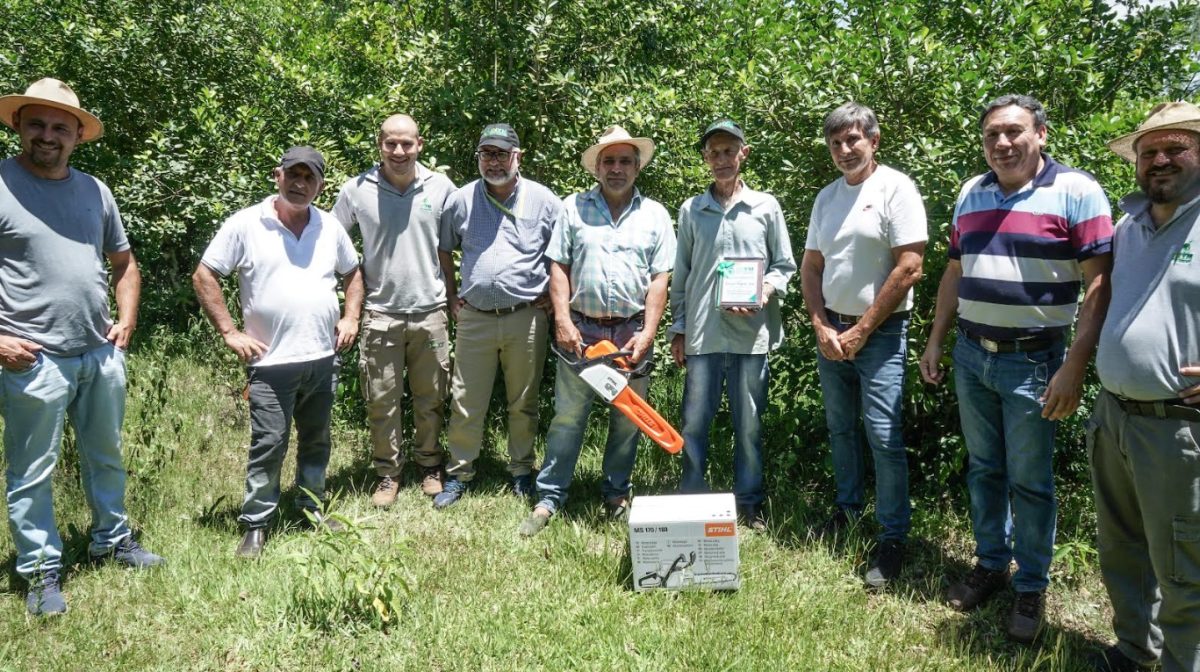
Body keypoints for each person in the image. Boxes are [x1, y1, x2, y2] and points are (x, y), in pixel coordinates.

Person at [918, 94, 1113, 643]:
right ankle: (990, 564)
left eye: (1013, 132)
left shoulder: (1077, 191)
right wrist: (936, 340)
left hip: (1037, 359)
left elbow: (1100, 283)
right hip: (972, 353)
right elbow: (955, 271)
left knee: (1030, 482)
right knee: (984, 469)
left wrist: (1076, 364)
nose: (1001, 144)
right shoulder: (971, 192)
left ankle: (1031, 584)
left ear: (1041, 134)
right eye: (991, 136)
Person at [0, 77, 165, 616]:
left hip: (98, 353)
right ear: (20, 127)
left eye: (59, 128)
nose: (47, 136)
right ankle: (42, 570)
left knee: (105, 455)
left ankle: (112, 540)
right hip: (32, 359)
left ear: (76, 136)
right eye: (37, 125)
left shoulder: (96, 191)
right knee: (32, 470)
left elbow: (125, 263)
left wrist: (126, 322)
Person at [193, 146, 364, 559]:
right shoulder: (247, 224)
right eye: (294, 175)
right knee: (270, 443)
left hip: (322, 358)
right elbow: (204, 274)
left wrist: (351, 317)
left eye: (310, 178)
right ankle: (257, 522)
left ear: (321, 185)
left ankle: (311, 507)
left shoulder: (329, 226)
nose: (301, 184)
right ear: (278, 175)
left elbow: (354, 273)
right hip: (270, 363)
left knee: (317, 439)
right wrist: (230, 332)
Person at [1086, 101, 1200, 672]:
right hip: (1115, 418)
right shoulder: (1128, 226)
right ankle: (1134, 651)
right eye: (1149, 151)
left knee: (1184, 567)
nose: (1159, 159)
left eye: (1175, 148)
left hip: (1179, 430)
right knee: (1124, 552)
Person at [518, 125, 675, 537]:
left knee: (628, 421)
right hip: (581, 333)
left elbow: (660, 279)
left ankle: (616, 494)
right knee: (568, 418)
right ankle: (549, 497)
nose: (617, 168)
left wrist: (649, 333)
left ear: (638, 167)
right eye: (609, 161)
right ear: (597, 168)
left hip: (630, 335)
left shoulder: (655, 215)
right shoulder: (573, 208)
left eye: (625, 161)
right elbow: (559, 268)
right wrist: (563, 322)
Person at [801, 102, 927, 588]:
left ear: (873, 141)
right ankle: (848, 511)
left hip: (880, 334)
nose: (844, 150)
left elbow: (910, 266)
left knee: (883, 435)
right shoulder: (826, 198)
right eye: (835, 143)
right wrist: (820, 324)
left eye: (853, 140)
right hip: (832, 331)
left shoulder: (896, 188)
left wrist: (862, 330)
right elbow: (813, 267)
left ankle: (893, 535)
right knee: (840, 429)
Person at [670, 119, 796, 530]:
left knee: (749, 423)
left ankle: (749, 502)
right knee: (694, 421)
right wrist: (679, 329)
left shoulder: (766, 207)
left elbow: (784, 265)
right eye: (714, 152)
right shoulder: (692, 209)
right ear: (705, 159)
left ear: (744, 153)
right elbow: (682, 274)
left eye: (729, 151)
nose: (721, 159)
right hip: (703, 334)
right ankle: (691, 495)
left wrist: (765, 291)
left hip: (751, 336)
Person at [434, 124, 563, 509]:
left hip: (526, 316)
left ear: (517, 157)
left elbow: (561, 255)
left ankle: (522, 471)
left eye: (501, 154)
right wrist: (453, 296)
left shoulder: (544, 200)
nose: (493, 162)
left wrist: (553, 299)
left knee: (523, 400)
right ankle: (459, 473)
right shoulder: (461, 200)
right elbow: (444, 250)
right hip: (474, 317)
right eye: (486, 154)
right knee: (465, 398)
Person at [333, 114, 457, 506]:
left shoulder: (441, 187)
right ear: (379, 144)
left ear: (420, 144)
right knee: (381, 399)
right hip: (380, 313)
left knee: (432, 396)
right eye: (390, 143)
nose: (399, 151)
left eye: (406, 143)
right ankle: (388, 474)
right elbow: (333, 246)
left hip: (430, 310)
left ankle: (430, 465)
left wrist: (455, 298)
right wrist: (346, 306)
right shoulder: (355, 190)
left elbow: (452, 247)